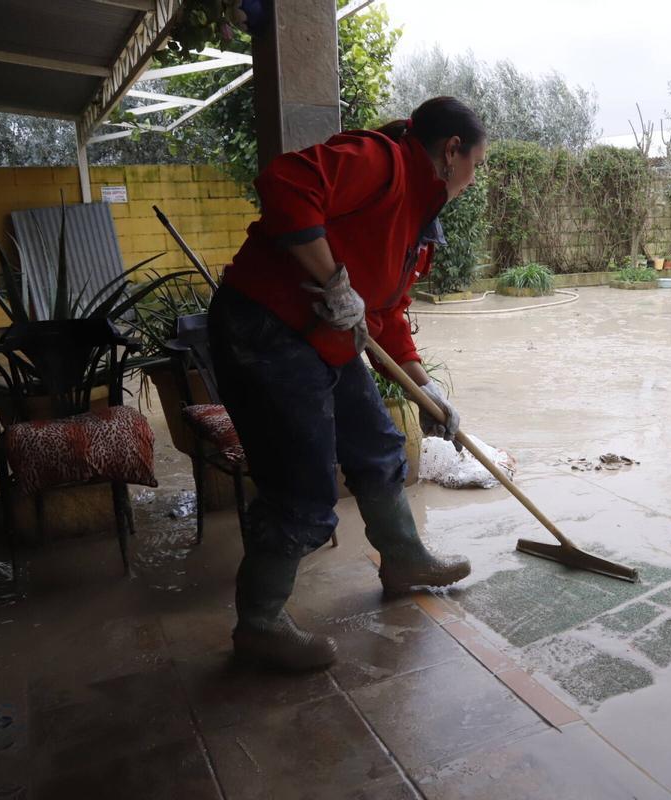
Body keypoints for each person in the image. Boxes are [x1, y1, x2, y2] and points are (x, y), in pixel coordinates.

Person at [208, 97, 488, 671]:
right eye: (476, 163)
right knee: (302, 490)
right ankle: (259, 624)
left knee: (378, 446)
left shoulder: (418, 216)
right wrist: (333, 278)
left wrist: (425, 386)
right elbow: (285, 182)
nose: (474, 177)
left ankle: (405, 559)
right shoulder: (381, 161)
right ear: (451, 150)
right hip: (265, 331)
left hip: (323, 341)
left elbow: (383, 315)